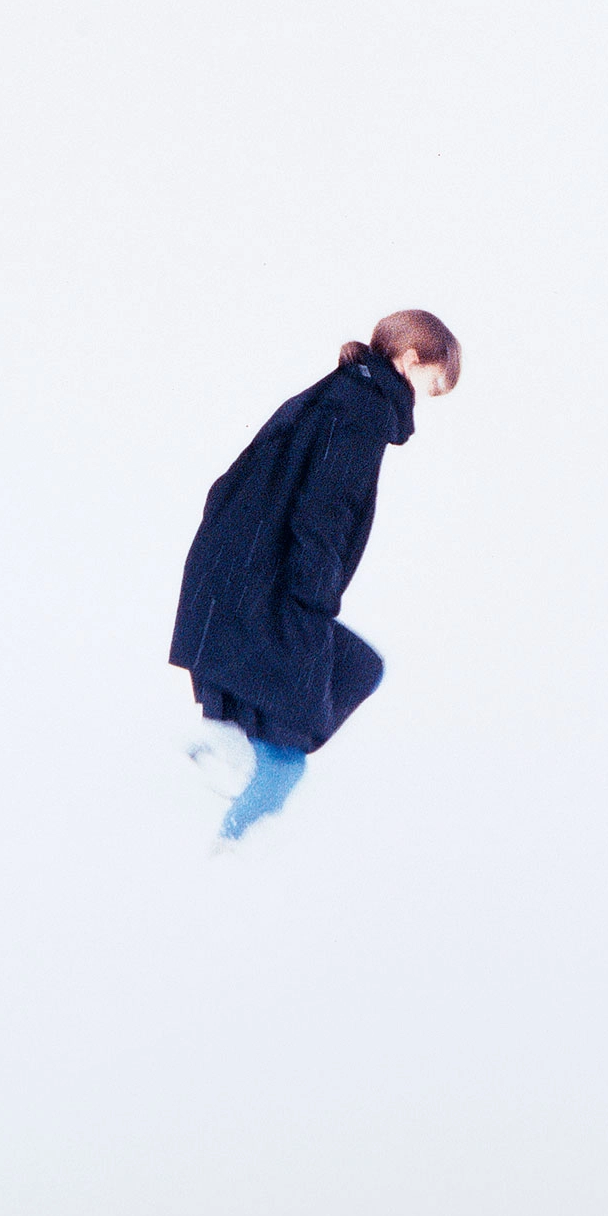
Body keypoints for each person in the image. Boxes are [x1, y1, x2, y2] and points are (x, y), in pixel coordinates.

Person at [169, 310, 462, 842]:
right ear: (410, 358)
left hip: (236, 576)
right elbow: (324, 511)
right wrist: (314, 594)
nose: (427, 398)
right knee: (289, 754)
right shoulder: (365, 410)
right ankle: (229, 851)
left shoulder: (343, 392)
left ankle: (220, 777)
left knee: (340, 681)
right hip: (272, 584)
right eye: (432, 384)